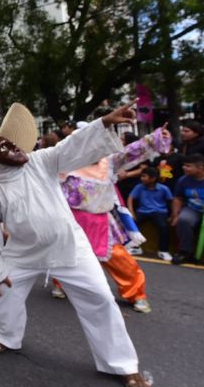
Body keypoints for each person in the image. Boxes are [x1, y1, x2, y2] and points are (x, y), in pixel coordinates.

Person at [0, 101, 150, 387]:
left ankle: (122, 364)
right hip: (22, 253)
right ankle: (6, 337)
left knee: (100, 299)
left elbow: (70, 146)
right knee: (3, 294)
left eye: (12, 145)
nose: (15, 149)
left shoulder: (40, 160)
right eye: (6, 149)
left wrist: (103, 122)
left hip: (69, 247)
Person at [58, 125, 171, 314]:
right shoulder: (65, 163)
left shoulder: (109, 162)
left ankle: (136, 293)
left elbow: (132, 152)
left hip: (101, 222)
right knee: (66, 256)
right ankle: (61, 284)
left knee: (120, 259)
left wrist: (156, 137)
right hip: (72, 221)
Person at [128, 167, 174, 261]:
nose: (141, 178)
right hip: (142, 211)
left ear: (153, 178)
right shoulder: (139, 187)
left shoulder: (164, 188)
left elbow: (171, 201)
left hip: (160, 212)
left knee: (163, 227)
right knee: (131, 224)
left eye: (144, 176)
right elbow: (130, 198)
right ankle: (136, 247)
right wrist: (131, 211)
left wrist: (173, 215)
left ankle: (163, 250)